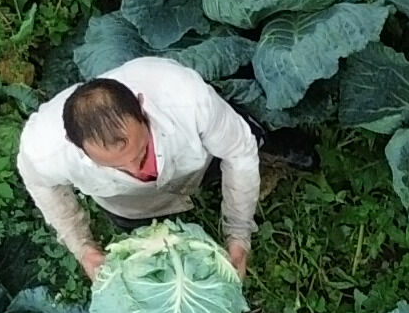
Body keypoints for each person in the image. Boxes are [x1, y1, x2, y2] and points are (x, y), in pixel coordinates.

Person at [18, 58, 262, 280]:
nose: (135, 169)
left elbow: (238, 152)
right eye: (114, 166)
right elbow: (41, 185)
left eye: (142, 151)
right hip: (130, 204)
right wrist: (83, 248)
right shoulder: (46, 148)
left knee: (245, 141)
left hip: (198, 166)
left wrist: (238, 234)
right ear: (76, 146)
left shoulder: (186, 97)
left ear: (143, 109)